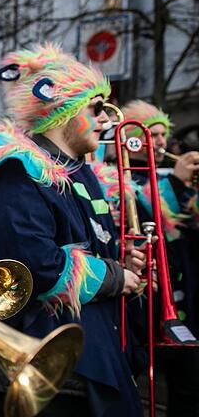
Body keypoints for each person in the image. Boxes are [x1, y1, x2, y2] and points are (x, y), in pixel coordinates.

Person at [0, 44, 145, 415]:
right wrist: (114, 277)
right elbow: (32, 264)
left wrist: (121, 261)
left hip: (85, 356)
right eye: (96, 108)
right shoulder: (19, 166)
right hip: (52, 369)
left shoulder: (80, 169)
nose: (107, 120)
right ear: (66, 110)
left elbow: (83, 244)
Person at [121, 99, 199, 416]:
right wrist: (177, 182)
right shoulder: (120, 177)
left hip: (183, 299)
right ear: (134, 139)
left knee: (190, 387)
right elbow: (149, 213)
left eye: (163, 135)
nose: (161, 143)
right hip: (142, 298)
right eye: (152, 135)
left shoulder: (168, 176)